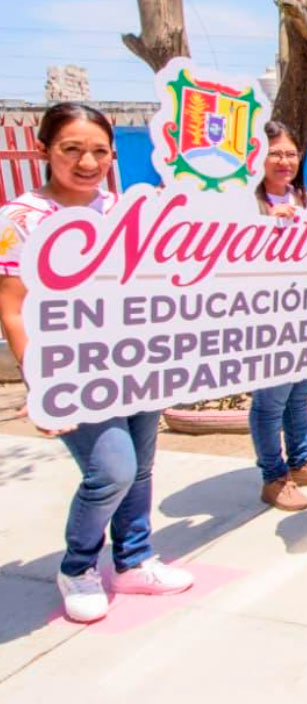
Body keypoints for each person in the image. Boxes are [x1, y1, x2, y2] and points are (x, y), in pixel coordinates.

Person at [0, 103, 194, 623]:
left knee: (142, 467)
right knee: (112, 468)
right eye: (72, 149)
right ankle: (78, 564)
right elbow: (13, 308)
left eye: (99, 152)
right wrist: (41, 384)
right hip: (70, 372)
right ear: (44, 149)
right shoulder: (23, 219)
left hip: (133, 365)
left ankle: (133, 560)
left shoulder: (118, 210)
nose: (87, 161)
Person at [249, 120, 307, 512]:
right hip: (267, 316)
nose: (285, 161)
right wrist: (266, 224)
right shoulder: (241, 205)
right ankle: (274, 476)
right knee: (271, 399)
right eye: (275, 153)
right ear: (256, 157)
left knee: (302, 390)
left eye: (290, 153)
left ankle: (301, 460)